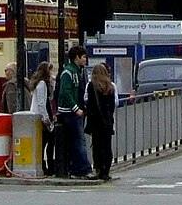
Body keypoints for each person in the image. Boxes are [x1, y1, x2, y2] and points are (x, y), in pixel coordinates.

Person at [56, 47, 91, 178]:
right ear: (76, 57)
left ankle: (77, 168)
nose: (85, 59)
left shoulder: (77, 71)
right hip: (70, 113)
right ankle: (83, 169)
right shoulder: (68, 72)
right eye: (83, 57)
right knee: (79, 141)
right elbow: (65, 92)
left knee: (77, 141)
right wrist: (76, 108)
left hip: (73, 111)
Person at [85, 62, 118, 181]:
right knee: (107, 146)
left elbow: (90, 104)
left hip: (96, 121)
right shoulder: (110, 87)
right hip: (108, 121)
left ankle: (98, 169)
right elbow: (112, 105)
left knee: (97, 146)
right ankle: (106, 171)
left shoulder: (92, 86)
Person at [28, 62, 56, 175]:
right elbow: (41, 103)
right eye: (50, 70)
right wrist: (46, 119)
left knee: (44, 142)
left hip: (39, 116)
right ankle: (48, 166)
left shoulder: (40, 83)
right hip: (42, 117)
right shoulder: (42, 84)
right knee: (49, 141)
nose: (52, 73)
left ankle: (44, 165)